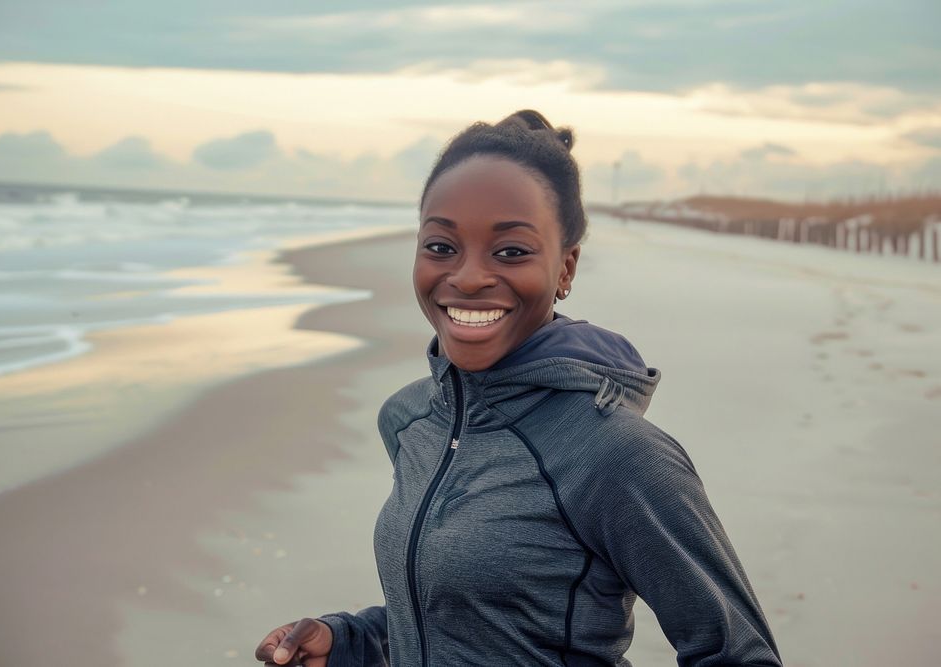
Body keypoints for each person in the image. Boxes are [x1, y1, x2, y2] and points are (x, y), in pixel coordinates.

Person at [255, 110, 782, 666]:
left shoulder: (617, 455)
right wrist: (350, 642)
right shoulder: (411, 419)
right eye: (441, 246)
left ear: (565, 269)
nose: (469, 276)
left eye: (511, 251)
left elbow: (739, 655)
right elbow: (459, 616)